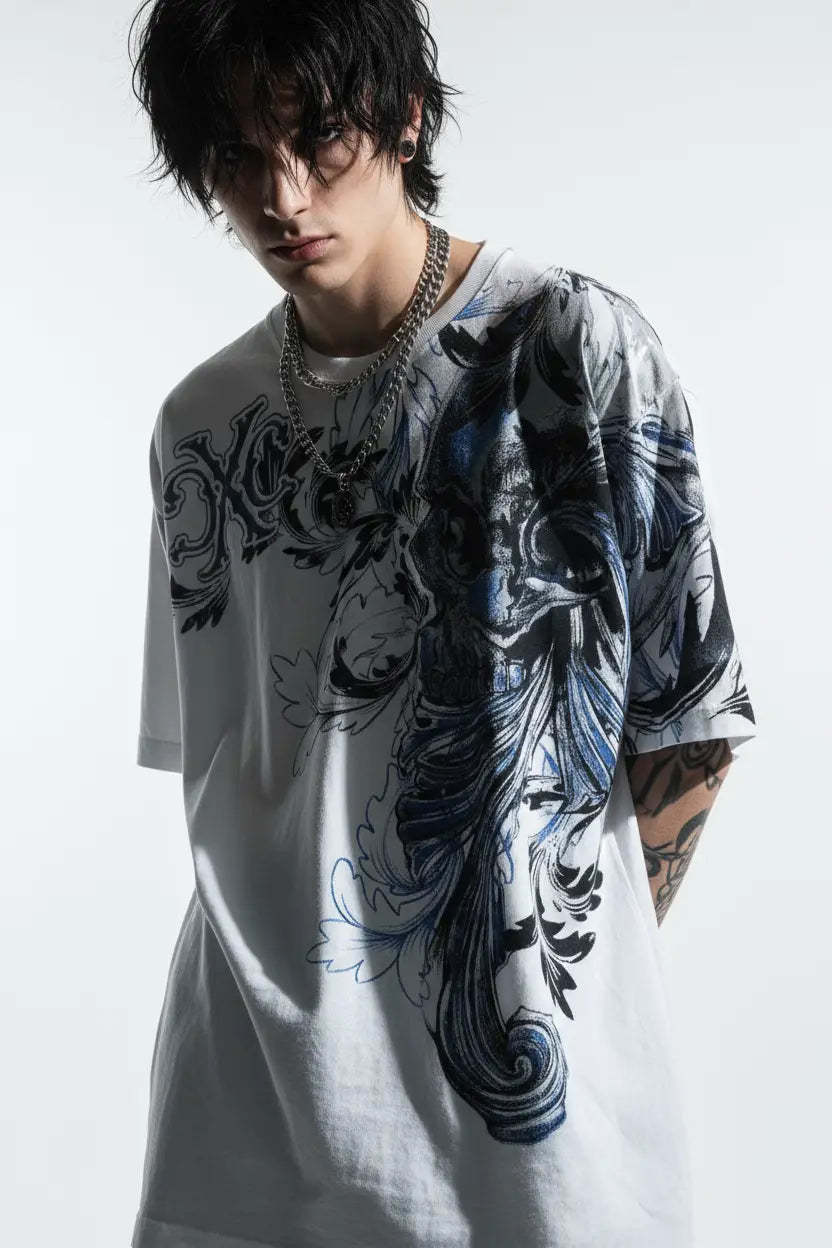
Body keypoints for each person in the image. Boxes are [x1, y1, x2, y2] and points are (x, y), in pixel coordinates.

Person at [129, 2, 759, 1246]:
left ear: (406, 117)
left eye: (320, 139)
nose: (283, 196)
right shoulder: (200, 426)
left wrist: (544, 959)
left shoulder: (567, 349)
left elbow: (689, 724)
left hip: (525, 1122)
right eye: (239, 156)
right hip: (242, 1101)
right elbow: (224, 773)